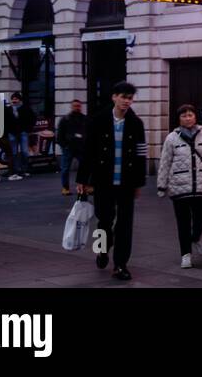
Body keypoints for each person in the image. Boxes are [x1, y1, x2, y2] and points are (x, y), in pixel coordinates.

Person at [77, 82, 147, 281]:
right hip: (103, 181)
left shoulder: (136, 123)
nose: (127, 101)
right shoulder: (98, 120)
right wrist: (83, 179)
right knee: (104, 220)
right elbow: (88, 151)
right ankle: (102, 250)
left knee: (125, 224)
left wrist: (138, 183)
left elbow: (141, 153)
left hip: (126, 182)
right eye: (123, 97)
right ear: (114, 97)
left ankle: (120, 264)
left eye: (130, 98)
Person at [157, 105, 202, 269]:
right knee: (183, 222)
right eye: (184, 116)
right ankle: (185, 255)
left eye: (190, 115)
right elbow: (165, 162)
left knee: (201, 217)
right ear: (179, 118)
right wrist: (161, 184)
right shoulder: (172, 137)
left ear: (195, 117)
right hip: (179, 186)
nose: (187, 118)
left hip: (200, 185)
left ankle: (195, 238)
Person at [56, 99, 88, 196]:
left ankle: (85, 186)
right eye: (75, 106)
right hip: (68, 147)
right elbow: (60, 134)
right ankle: (65, 188)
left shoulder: (85, 119)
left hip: (81, 148)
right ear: (71, 107)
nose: (77, 108)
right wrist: (64, 145)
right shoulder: (65, 119)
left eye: (78, 106)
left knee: (85, 168)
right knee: (65, 168)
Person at [5, 92, 35, 179]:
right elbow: (5, 120)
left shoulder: (25, 108)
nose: (14, 100)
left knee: (25, 152)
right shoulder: (9, 109)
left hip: (23, 132)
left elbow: (33, 118)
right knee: (14, 152)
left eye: (16, 99)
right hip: (12, 133)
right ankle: (15, 170)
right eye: (13, 99)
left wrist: (28, 129)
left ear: (20, 100)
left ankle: (24, 169)